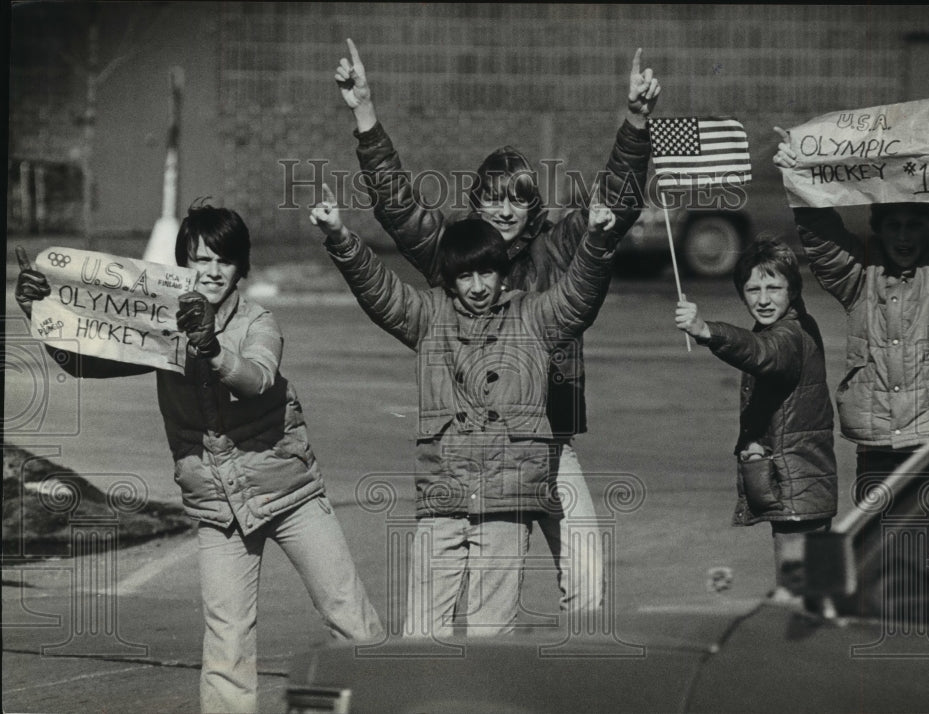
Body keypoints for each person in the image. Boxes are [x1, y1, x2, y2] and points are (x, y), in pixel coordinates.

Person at [14, 204, 384, 714]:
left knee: (348, 613)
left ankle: (390, 700)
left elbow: (257, 378)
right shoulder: (161, 323)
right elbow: (88, 360)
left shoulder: (259, 321)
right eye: (199, 259)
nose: (210, 271)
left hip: (289, 492)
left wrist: (211, 349)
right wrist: (40, 313)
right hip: (218, 508)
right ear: (180, 266)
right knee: (227, 638)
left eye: (223, 261)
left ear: (241, 269)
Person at [333, 38, 659, 616]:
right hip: (476, 455)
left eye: (517, 199)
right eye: (493, 199)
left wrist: (635, 121)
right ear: (477, 203)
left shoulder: (558, 249)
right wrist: (365, 115)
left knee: (586, 585)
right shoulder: (454, 256)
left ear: (532, 205)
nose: (505, 211)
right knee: (475, 611)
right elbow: (400, 210)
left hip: (552, 443)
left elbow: (616, 204)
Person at [310, 184, 621, 637]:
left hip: (505, 504)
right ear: (450, 280)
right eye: (465, 277)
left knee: (489, 636)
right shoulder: (429, 316)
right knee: (422, 635)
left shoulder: (532, 316)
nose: (477, 287)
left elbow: (579, 298)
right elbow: (379, 292)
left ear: (502, 274)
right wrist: (339, 235)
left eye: (487, 274)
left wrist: (596, 242)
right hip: (443, 498)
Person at [772, 124, 929, 501]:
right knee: (877, 555)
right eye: (893, 226)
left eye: (914, 225)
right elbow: (824, 243)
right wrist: (797, 180)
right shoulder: (859, 279)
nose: (903, 236)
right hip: (877, 446)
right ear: (879, 230)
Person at [675, 239, 837, 592]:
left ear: (792, 289)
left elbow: (765, 354)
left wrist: (707, 331)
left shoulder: (790, 335)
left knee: (802, 603)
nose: (763, 299)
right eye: (753, 289)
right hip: (804, 490)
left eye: (774, 287)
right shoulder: (791, 325)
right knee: (821, 601)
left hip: (799, 496)